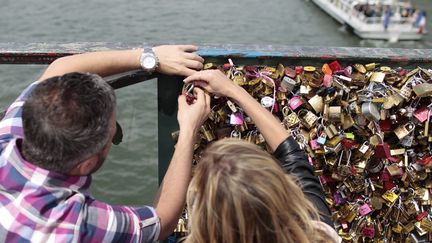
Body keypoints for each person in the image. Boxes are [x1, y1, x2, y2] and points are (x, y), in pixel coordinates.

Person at [0, 45, 210, 242]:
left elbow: (60, 68)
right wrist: (188, 131)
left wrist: (150, 57)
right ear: (87, 164)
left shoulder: (9, 134)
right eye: (112, 134)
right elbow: (162, 221)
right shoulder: (76, 224)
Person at [182, 70, 340, 243]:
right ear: (283, 191)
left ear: (206, 221)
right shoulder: (318, 234)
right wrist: (232, 89)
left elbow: (162, 220)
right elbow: (293, 156)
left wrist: (188, 130)